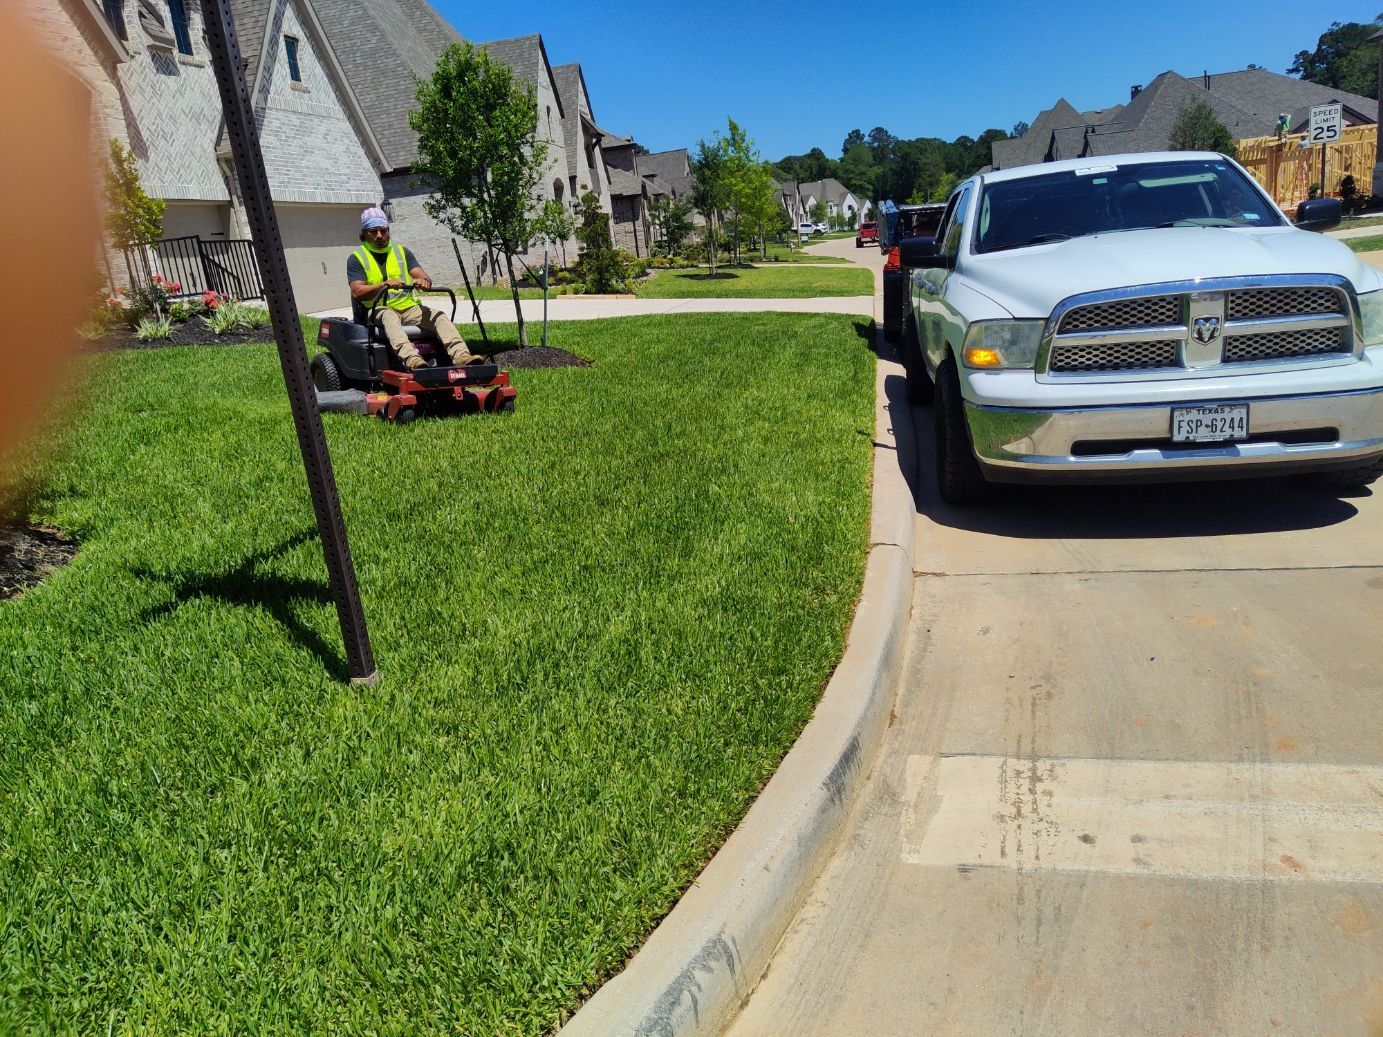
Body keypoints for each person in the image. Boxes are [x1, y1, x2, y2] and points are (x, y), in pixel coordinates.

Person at [347, 207, 481, 370]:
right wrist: (384, 284)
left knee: (438, 316)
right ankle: (412, 360)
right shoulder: (357, 258)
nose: (379, 236)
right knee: (389, 316)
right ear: (364, 233)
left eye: (383, 230)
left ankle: (461, 356)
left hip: (408, 307)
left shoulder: (401, 252)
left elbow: (423, 276)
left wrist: (424, 282)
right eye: (373, 231)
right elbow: (357, 291)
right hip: (378, 309)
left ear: (388, 230)